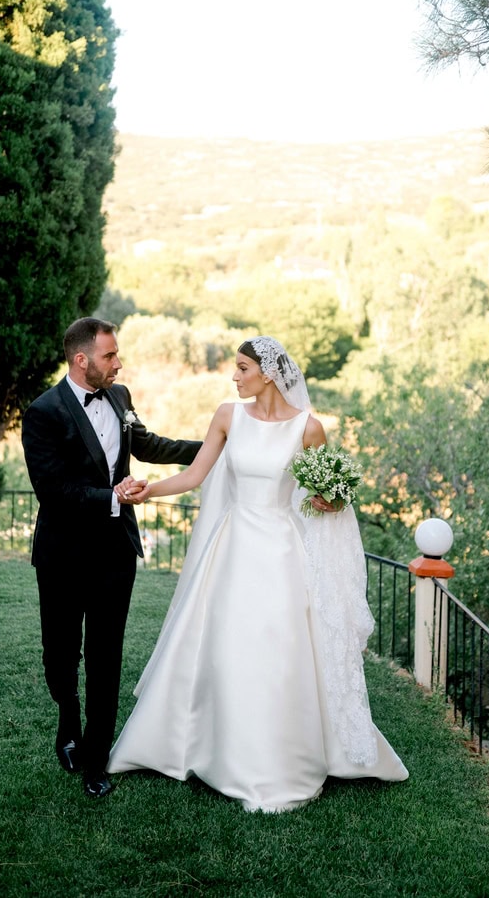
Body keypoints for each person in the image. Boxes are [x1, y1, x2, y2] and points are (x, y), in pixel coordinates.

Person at [107, 335, 408, 812]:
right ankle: (211, 746)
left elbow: (320, 497)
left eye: (243, 368)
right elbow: (194, 476)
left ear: (268, 373)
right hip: (232, 549)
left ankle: (279, 760)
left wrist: (329, 499)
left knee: (279, 650)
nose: (235, 376)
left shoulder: (309, 429)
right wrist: (145, 491)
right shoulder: (228, 416)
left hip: (283, 554)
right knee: (226, 646)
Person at [21, 317, 201, 799]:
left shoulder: (120, 398)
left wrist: (217, 448)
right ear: (82, 360)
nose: (118, 363)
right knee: (61, 652)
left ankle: (98, 756)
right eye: (110, 356)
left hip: (114, 552)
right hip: (62, 555)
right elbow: (54, 491)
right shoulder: (43, 412)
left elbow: (149, 445)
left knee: (106, 654)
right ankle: (67, 722)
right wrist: (114, 497)